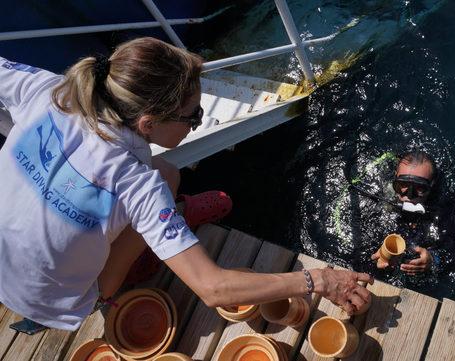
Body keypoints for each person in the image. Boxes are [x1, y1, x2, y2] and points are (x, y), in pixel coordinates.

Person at [0, 37, 371, 332]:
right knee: (161, 184)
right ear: (148, 124)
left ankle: (168, 223)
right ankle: (131, 268)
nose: (198, 119)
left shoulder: (49, 92)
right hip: (63, 302)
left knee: (169, 174)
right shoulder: (136, 184)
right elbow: (213, 288)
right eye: (194, 115)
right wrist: (320, 280)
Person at [370, 151, 455, 276]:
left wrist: (434, 260)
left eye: (419, 188)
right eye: (402, 185)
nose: (409, 196)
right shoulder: (377, 192)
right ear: (395, 178)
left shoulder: (446, 207)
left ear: (431, 186)